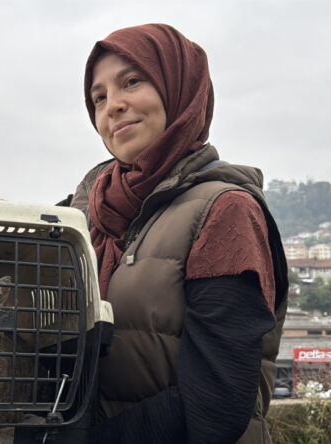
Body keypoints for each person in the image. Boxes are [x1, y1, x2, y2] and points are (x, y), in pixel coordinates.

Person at [67, 24, 289, 443]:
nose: (113, 105)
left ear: (179, 87)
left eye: (131, 81)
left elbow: (216, 401)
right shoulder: (93, 209)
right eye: (99, 97)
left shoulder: (226, 212)